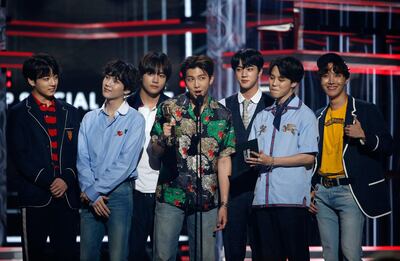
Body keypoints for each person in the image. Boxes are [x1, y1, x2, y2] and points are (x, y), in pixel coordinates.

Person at [309, 53, 394, 261]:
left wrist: (364, 136)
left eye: (337, 75)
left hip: (350, 192)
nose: (331, 81)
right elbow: (312, 157)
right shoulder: (318, 115)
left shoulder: (365, 110)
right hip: (322, 192)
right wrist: (310, 188)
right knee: (329, 255)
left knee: (350, 253)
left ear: (346, 78)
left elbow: (389, 145)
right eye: (325, 75)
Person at [150, 55, 235, 261]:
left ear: (211, 79)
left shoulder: (223, 115)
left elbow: (224, 160)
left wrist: (224, 204)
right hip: (172, 194)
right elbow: (155, 151)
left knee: (206, 257)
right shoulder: (169, 108)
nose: (196, 84)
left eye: (202, 78)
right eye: (191, 79)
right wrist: (163, 138)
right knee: (162, 256)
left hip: (206, 199)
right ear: (184, 81)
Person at [7, 53, 80, 261]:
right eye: (46, 78)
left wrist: (66, 179)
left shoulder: (70, 112)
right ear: (31, 80)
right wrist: (50, 181)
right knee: (34, 255)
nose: (53, 83)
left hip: (66, 199)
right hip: (35, 197)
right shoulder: (19, 113)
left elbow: (79, 152)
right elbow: (19, 156)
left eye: (55, 77)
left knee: (67, 255)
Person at [246, 56, 318, 261]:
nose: (274, 83)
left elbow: (308, 157)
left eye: (281, 79)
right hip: (262, 201)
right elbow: (252, 152)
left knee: (296, 256)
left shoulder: (305, 115)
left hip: (291, 202)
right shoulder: (263, 116)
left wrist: (272, 161)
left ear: (294, 83)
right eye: (272, 77)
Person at [77, 60, 145, 261]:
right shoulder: (89, 118)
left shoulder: (135, 119)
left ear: (127, 90)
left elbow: (125, 164)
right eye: (107, 77)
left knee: (118, 256)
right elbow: (82, 159)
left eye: (115, 81)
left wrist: (94, 191)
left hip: (119, 194)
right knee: (87, 255)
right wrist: (92, 192)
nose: (108, 83)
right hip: (89, 195)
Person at [219, 48, 273, 261]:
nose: (243, 74)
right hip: (234, 191)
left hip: (265, 187)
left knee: (265, 251)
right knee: (233, 251)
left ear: (260, 72)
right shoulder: (223, 105)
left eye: (249, 69)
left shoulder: (272, 105)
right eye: (239, 69)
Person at [126, 51, 172, 261]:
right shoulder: (125, 106)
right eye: (151, 73)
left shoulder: (174, 108)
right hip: (131, 191)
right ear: (141, 75)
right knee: (130, 253)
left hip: (165, 192)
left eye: (161, 75)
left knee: (163, 255)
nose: (156, 79)